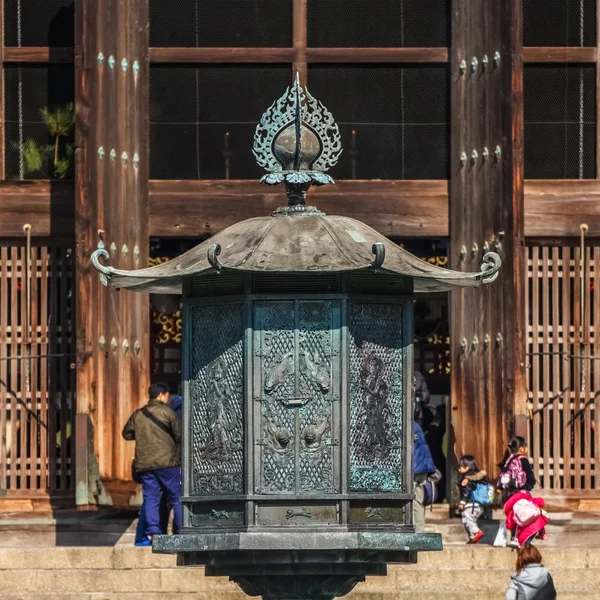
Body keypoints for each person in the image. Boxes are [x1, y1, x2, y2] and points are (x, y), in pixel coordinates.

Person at [123, 382, 182, 546]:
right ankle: (181, 531)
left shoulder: (138, 414)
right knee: (177, 497)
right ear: (162, 395)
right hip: (168, 463)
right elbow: (179, 434)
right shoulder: (168, 412)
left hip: (145, 464)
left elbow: (126, 433)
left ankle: (153, 533)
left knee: (151, 498)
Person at [496, 436, 537, 548]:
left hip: (508, 494)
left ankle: (514, 537)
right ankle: (525, 538)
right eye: (526, 447)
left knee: (515, 515)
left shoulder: (508, 460)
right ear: (522, 449)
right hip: (521, 493)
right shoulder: (523, 459)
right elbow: (531, 478)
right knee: (528, 514)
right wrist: (528, 486)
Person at [457, 455, 488, 544]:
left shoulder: (467, 478)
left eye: (460, 467)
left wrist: (462, 502)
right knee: (472, 521)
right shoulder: (477, 476)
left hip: (471, 504)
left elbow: (466, 491)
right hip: (479, 506)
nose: (459, 469)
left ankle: (476, 532)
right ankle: (473, 539)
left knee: (467, 520)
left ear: (467, 467)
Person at [413, 420, 436, 533]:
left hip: (414, 468)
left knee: (414, 502)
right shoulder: (416, 425)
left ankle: (416, 531)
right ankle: (419, 530)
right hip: (421, 467)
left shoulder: (407, 424)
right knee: (418, 502)